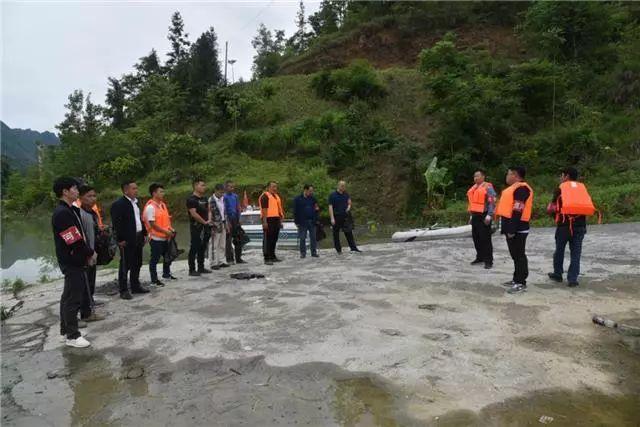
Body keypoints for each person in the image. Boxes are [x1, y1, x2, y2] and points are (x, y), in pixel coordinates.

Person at [51, 177, 96, 348]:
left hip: (73, 258)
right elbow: (73, 240)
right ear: (65, 191)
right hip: (71, 260)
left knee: (67, 296)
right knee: (73, 298)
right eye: (75, 189)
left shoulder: (69, 210)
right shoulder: (62, 213)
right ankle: (72, 335)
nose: (78, 191)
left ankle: (66, 331)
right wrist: (90, 253)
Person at [547, 167, 595, 288]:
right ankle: (572, 279)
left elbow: (551, 208)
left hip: (564, 225)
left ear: (567, 176)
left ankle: (558, 274)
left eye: (562, 175)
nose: (560, 178)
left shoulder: (560, 189)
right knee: (576, 253)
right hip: (580, 226)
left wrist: (555, 217)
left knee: (559, 251)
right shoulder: (582, 188)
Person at [495, 167, 534, 294]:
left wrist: (511, 229)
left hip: (518, 228)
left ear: (515, 175)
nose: (506, 176)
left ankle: (521, 282)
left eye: (508, 174)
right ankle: (516, 278)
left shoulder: (521, 189)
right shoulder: (514, 188)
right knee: (515, 255)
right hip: (512, 227)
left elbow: (518, 210)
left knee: (519, 255)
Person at [111, 180, 149, 300]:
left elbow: (139, 220)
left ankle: (135, 285)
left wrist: (144, 233)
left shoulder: (136, 203)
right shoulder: (119, 204)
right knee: (125, 264)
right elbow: (116, 224)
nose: (136, 191)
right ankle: (123, 290)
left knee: (137, 263)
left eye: (136, 188)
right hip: (126, 239)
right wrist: (120, 239)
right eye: (134, 189)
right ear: (126, 190)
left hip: (137, 236)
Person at [76, 184, 106, 323]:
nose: (93, 199)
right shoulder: (79, 214)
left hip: (93, 252)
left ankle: (88, 306)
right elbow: (82, 236)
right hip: (86, 254)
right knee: (84, 284)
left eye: (94, 195)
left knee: (91, 282)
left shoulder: (92, 212)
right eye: (89, 196)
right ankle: (85, 313)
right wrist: (88, 253)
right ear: (80, 197)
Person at [143, 183, 176, 287]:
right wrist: (166, 232)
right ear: (154, 193)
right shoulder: (150, 207)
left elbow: (166, 220)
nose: (163, 193)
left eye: (163, 191)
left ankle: (166, 274)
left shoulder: (162, 205)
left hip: (166, 236)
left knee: (167, 256)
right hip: (156, 237)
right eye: (160, 191)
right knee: (155, 259)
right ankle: (154, 280)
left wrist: (170, 229)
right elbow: (152, 224)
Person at [467, 170, 497, 269]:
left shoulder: (488, 187)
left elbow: (492, 202)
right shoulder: (474, 188)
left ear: (483, 176)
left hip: (484, 216)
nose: (475, 178)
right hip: (475, 215)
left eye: (478, 176)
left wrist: (489, 215)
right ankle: (480, 257)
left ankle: (489, 261)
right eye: (474, 176)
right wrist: (471, 216)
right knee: (476, 238)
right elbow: (472, 204)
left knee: (485, 239)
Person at [187, 179, 212, 276]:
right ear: (196, 186)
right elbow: (193, 214)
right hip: (196, 227)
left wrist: (209, 220)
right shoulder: (191, 199)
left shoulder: (205, 198)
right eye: (202, 185)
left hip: (206, 225)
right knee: (194, 247)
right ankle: (192, 269)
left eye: (204, 185)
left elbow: (209, 210)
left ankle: (201, 267)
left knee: (203, 246)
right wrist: (204, 222)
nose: (204, 187)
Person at [328, 181, 361, 254]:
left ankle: (353, 248)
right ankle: (338, 250)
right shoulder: (332, 195)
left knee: (349, 232)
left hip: (345, 216)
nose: (343, 187)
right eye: (342, 186)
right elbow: (330, 207)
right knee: (336, 234)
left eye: (344, 186)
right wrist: (332, 218)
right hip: (336, 216)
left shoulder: (346, 194)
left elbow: (349, 202)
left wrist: (349, 207)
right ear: (338, 186)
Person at [259, 181, 284, 265]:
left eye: (276, 187)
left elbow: (278, 209)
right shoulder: (265, 196)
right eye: (273, 187)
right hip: (268, 219)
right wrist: (264, 221)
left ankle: (273, 256)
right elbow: (264, 210)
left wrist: (280, 220)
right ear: (268, 187)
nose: (275, 188)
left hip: (276, 219)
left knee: (274, 239)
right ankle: (267, 258)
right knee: (267, 239)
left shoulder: (276, 196)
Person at [293, 184, 320, 259]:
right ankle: (303, 253)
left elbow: (317, 209)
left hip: (312, 221)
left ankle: (314, 252)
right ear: (305, 190)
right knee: (302, 238)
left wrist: (317, 218)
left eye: (312, 191)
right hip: (302, 222)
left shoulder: (313, 199)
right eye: (310, 191)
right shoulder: (297, 199)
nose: (311, 192)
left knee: (313, 238)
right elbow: (295, 211)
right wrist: (296, 222)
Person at [223, 180, 246, 264]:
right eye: (230, 187)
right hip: (228, 219)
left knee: (238, 239)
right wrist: (227, 222)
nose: (232, 188)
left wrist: (240, 218)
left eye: (233, 187)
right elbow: (224, 210)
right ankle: (230, 259)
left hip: (236, 219)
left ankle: (238, 258)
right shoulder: (224, 197)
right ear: (226, 187)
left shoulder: (235, 196)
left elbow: (238, 207)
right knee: (228, 241)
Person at [209, 184, 229, 270]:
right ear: (216, 191)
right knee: (213, 245)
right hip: (215, 225)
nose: (222, 194)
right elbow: (209, 214)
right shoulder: (211, 200)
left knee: (222, 244)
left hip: (223, 223)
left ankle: (222, 261)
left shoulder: (223, 199)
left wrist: (226, 224)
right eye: (221, 192)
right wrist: (212, 225)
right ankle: (213, 263)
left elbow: (224, 212)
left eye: (223, 192)